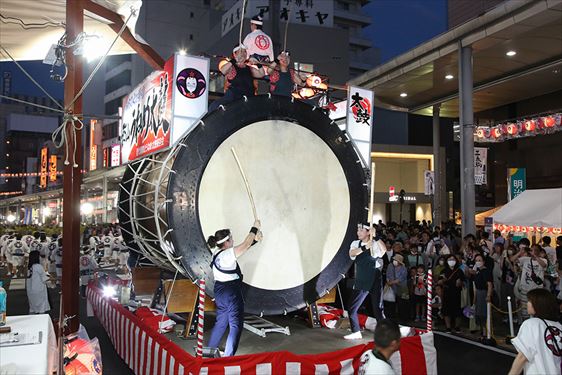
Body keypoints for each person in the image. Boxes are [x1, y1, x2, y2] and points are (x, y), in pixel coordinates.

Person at [207, 220, 262, 356]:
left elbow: (242, 249)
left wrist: (254, 241)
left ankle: (208, 353)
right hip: (231, 292)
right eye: (231, 238)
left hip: (220, 290)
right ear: (226, 243)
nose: (233, 240)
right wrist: (254, 228)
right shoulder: (226, 255)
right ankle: (228, 358)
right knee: (235, 325)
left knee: (221, 323)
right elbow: (244, 245)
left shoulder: (217, 252)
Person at [345, 223, 386, 340]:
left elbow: (383, 251)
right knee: (352, 308)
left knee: (378, 307)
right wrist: (364, 247)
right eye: (358, 230)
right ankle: (356, 331)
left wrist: (376, 237)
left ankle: (384, 332)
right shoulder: (355, 243)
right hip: (362, 278)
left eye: (361, 230)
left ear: (368, 232)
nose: (358, 232)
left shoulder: (374, 243)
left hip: (374, 277)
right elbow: (352, 253)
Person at [509, 288, 562, 375]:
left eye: (529, 301)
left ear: (538, 304)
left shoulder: (532, 324)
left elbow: (522, 357)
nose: (527, 303)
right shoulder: (559, 326)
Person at [208, 45, 265, 112]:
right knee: (215, 106)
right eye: (241, 52)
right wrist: (234, 60)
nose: (243, 54)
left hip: (248, 97)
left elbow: (261, 74)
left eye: (245, 52)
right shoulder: (232, 67)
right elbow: (223, 70)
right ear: (235, 54)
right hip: (234, 97)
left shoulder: (249, 68)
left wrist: (258, 64)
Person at [472, 254, 493, 338]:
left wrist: (488, 295)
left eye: (480, 260)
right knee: (479, 313)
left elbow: (489, 284)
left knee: (484, 313)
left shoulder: (486, 271)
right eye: (476, 260)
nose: (478, 262)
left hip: (484, 293)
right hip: (478, 292)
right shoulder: (477, 271)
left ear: (484, 262)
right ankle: (482, 330)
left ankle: (485, 332)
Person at [442, 254, 465, 333]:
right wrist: (443, 280)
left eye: (453, 259)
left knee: (457, 310)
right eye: (449, 259)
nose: (451, 261)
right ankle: (448, 327)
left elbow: (464, 282)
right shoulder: (444, 270)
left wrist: (460, 282)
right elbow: (439, 281)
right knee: (446, 309)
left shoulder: (459, 271)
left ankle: (457, 326)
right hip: (447, 292)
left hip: (457, 292)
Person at [385, 254, 408, 320]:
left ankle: (402, 318)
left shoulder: (403, 268)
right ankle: (390, 317)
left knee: (402, 303)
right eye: (394, 260)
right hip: (392, 287)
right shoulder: (390, 266)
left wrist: (392, 282)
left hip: (402, 288)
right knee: (391, 303)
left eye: (396, 260)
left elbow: (401, 278)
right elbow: (388, 275)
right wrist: (389, 281)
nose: (394, 261)